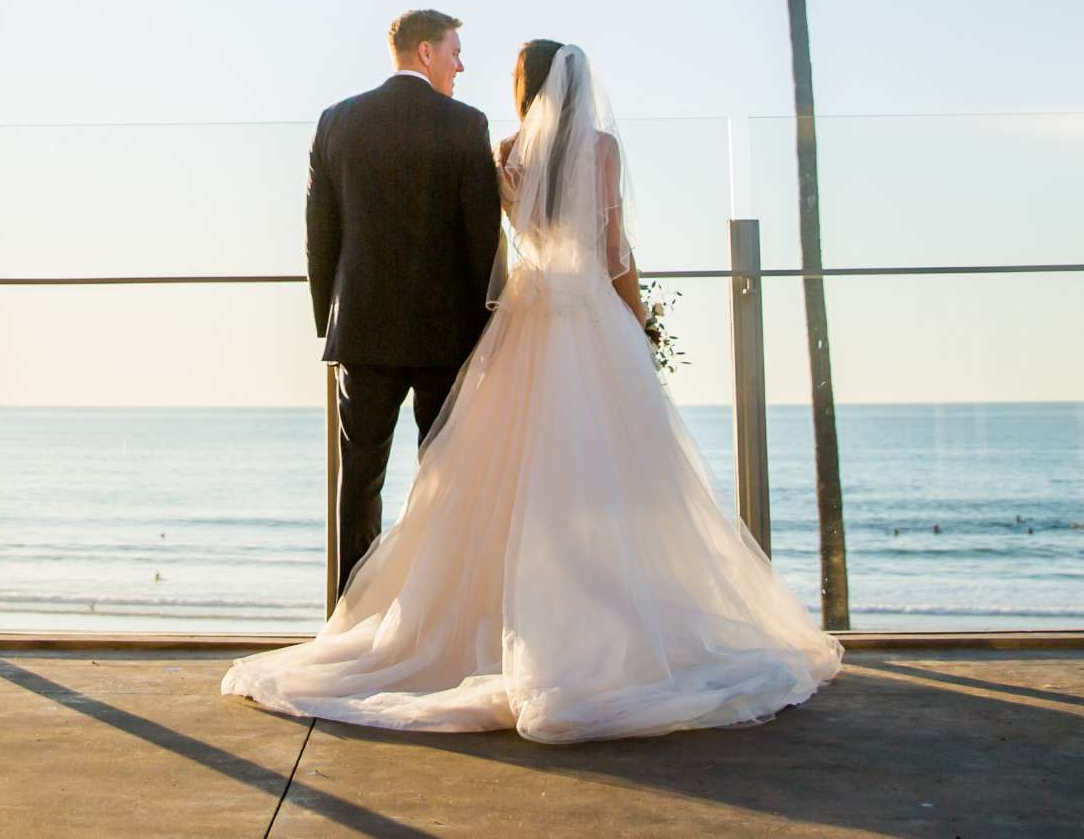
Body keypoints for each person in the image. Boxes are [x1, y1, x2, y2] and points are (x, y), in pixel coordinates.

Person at [224, 40, 841, 743]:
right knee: (614, 486)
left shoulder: (506, 151)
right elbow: (613, 253)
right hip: (587, 320)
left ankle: (445, 623)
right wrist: (639, 324)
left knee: (495, 489)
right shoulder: (599, 149)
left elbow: (486, 244)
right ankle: (603, 629)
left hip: (524, 317)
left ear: (529, 87)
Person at [303, 8, 504, 593]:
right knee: (442, 478)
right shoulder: (467, 125)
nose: (459, 64)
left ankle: (349, 617)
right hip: (446, 338)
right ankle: (433, 610)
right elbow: (479, 239)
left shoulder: (336, 121)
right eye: (453, 51)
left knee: (359, 483)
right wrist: (486, 329)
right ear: (425, 53)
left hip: (361, 331)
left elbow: (320, 234)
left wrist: (329, 321)